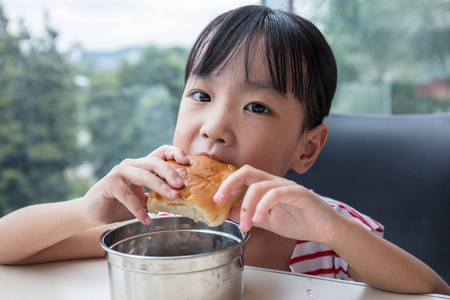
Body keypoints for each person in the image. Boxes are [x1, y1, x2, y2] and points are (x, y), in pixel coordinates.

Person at [0, 5, 449, 295]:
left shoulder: (325, 229)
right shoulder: (153, 225)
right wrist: (84, 211)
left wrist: (336, 231)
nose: (214, 129)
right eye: (201, 96)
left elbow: (430, 290)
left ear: (307, 148)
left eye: (257, 106)